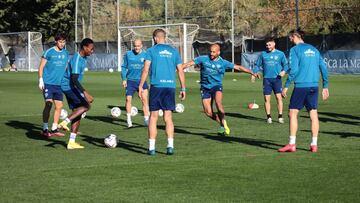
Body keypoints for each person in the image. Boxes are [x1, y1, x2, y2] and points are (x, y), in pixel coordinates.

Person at [182, 44, 259, 136]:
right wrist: (177, 68)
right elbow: (188, 64)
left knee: (218, 103)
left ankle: (222, 123)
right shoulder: (203, 59)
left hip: (216, 86)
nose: (211, 53)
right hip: (205, 87)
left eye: (213, 52)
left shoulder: (223, 62)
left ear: (218, 52)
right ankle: (223, 124)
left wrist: (251, 72)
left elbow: (238, 67)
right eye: (210, 51)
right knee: (208, 112)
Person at [278, 29, 329, 153]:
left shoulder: (295, 50)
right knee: (313, 113)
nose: (290, 40)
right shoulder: (315, 50)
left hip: (301, 86)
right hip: (314, 86)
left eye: (290, 37)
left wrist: (286, 85)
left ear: (295, 36)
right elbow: (323, 67)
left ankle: (292, 144)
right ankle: (314, 144)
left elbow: (294, 70)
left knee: (292, 113)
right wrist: (325, 86)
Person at [138, 29, 186, 156]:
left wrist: (141, 85)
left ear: (155, 38)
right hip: (170, 87)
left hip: (156, 86)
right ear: (165, 37)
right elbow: (180, 71)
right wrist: (183, 88)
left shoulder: (151, 51)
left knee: (153, 117)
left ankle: (152, 148)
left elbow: (145, 69)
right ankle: (170, 146)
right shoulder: (174, 51)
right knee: (168, 117)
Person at [58, 38, 94, 149]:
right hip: (68, 86)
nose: (92, 51)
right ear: (84, 47)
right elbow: (74, 79)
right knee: (86, 105)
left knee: (77, 112)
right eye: (91, 49)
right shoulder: (77, 59)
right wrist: (85, 93)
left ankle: (71, 142)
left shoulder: (83, 58)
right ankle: (65, 122)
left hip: (70, 86)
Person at [38, 33, 69, 137]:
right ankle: (45, 128)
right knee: (48, 104)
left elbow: (65, 68)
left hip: (59, 85)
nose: (62, 44)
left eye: (64, 42)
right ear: (56, 41)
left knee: (59, 106)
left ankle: (54, 128)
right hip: (48, 83)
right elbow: (41, 66)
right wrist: (41, 80)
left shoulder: (65, 53)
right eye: (60, 42)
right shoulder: (49, 52)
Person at [253, 37, 288, 124]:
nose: (268, 46)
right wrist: (255, 72)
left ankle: (280, 116)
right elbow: (257, 65)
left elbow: (286, 65)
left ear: (274, 44)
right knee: (266, 99)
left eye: (269, 45)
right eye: (267, 45)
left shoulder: (280, 54)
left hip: (277, 79)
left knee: (278, 98)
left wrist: (283, 71)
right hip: (267, 80)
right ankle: (268, 117)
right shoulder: (263, 54)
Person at [121, 39, 149, 128]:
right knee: (128, 100)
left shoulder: (146, 55)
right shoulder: (128, 54)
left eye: (138, 46)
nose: (136, 48)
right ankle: (129, 120)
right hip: (130, 81)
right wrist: (124, 79)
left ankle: (146, 120)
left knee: (144, 100)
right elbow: (124, 67)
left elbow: (149, 68)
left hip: (142, 81)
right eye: (135, 46)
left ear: (141, 45)